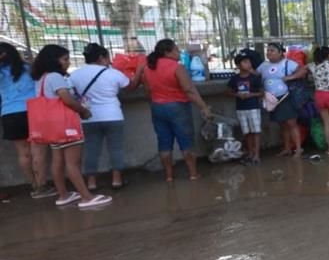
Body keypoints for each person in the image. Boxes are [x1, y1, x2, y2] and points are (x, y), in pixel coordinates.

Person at [30, 45, 112, 208]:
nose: (68, 63)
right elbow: (66, 99)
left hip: (51, 127)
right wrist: (83, 111)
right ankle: (86, 197)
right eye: (65, 59)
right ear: (55, 61)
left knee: (58, 161)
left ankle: (63, 195)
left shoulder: (41, 78)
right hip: (66, 125)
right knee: (73, 162)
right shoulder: (56, 77)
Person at [136, 39, 211, 181]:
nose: (179, 53)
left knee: (164, 143)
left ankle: (169, 176)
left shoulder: (148, 68)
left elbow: (148, 91)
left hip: (157, 108)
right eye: (176, 50)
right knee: (186, 141)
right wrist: (203, 107)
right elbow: (189, 90)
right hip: (178, 107)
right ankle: (193, 174)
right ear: (167, 52)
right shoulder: (177, 67)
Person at [70, 43, 132, 191]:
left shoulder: (75, 75)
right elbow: (129, 86)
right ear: (101, 57)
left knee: (91, 150)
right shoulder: (113, 73)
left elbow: (70, 95)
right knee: (116, 149)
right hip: (113, 116)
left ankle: (91, 183)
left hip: (88, 117)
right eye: (107, 58)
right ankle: (116, 181)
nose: (109, 61)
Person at [0, 41, 53, 198]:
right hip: (32, 111)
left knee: (23, 153)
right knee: (38, 150)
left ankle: (34, 186)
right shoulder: (29, 69)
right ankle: (42, 187)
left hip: (9, 114)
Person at [258, 41, 307, 158]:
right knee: (282, 124)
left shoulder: (288, 63)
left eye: (272, 50)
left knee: (291, 123)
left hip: (286, 97)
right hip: (272, 100)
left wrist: (291, 77)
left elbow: (303, 71)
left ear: (280, 53)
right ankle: (287, 148)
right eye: (268, 50)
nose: (269, 52)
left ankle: (298, 149)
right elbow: (255, 74)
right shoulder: (264, 65)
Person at [226, 52, 264, 165]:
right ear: (238, 66)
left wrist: (251, 95)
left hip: (253, 107)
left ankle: (257, 154)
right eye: (245, 62)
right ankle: (251, 153)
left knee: (256, 131)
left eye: (249, 62)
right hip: (241, 108)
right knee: (247, 132)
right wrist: (238, 95)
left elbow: (262, 93)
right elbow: (228, 91)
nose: (248, 64)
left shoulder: (255, 78)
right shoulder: (234, 79)